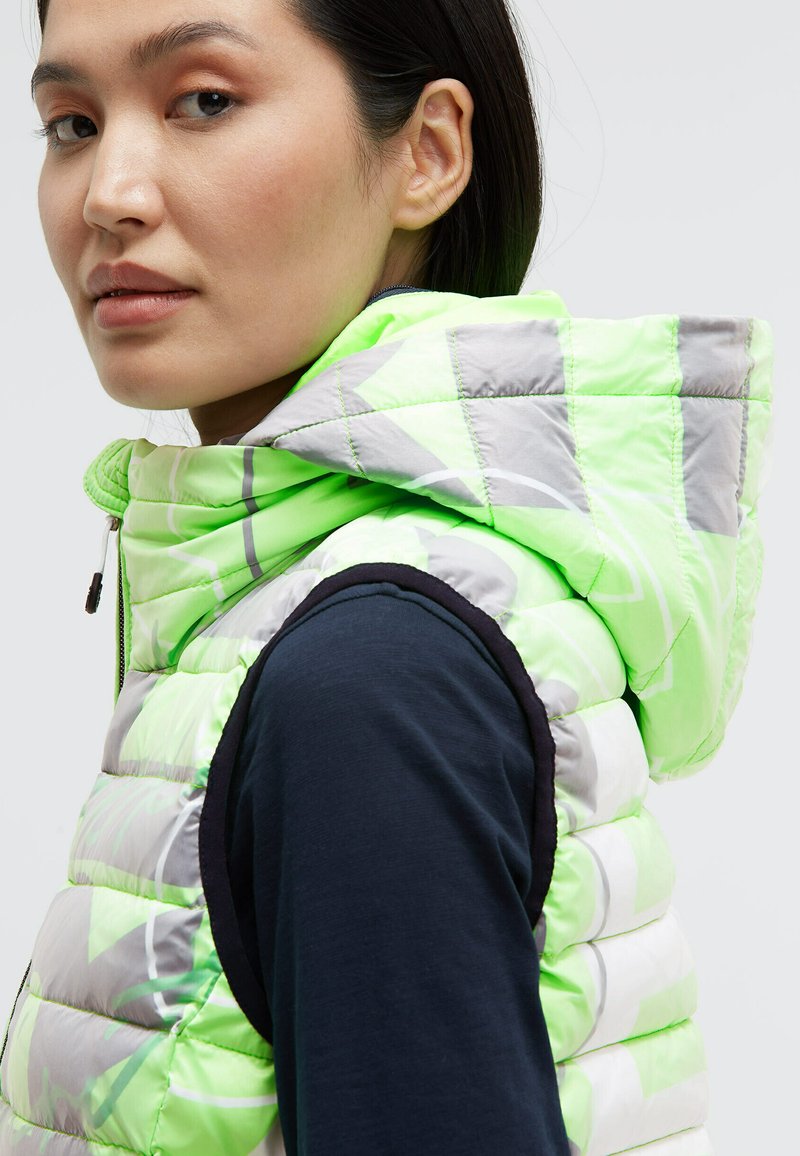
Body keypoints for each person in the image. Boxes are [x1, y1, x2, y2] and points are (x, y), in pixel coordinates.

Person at [0, 0, 772, 1153]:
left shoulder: (369, 675)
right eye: (71, 123)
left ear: (427, 153)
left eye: (202, 101)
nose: (108, 193)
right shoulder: (339, 609)